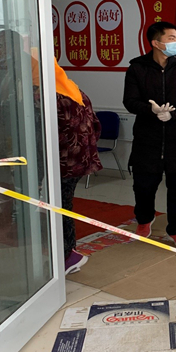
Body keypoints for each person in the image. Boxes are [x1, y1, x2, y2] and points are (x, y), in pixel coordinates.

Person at [123, 21, 176, 246]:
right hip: (147, 139)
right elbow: (129, 101)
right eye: (171, 38)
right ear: (156, 43)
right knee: (144, 186)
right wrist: (152, 110)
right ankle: (144, 219)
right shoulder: (137, 68)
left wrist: (173, 114)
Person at [55, 59, 102, 274]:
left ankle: (67, 256)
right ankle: (69, 253)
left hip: (62, 162)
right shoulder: (72, 88)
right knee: (64, 206)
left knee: (58, 208)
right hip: (79, 159)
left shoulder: (47, 95)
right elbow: (95, 124)